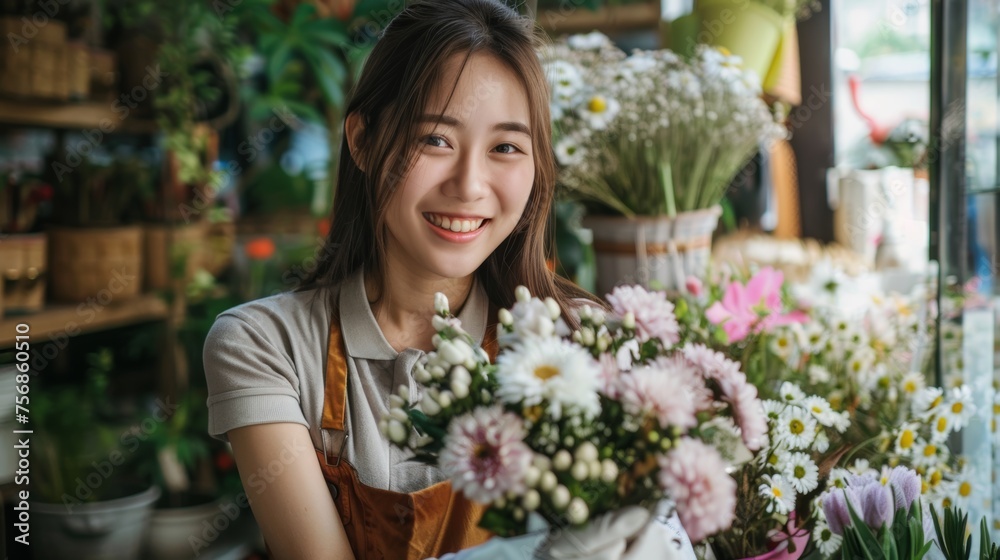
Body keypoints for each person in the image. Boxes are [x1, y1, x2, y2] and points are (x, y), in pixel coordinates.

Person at [203, 0, 696, 558]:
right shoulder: (266, 345)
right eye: (435, 139)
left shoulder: (585, 346)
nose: (469, 185)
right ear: (363, 139)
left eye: (505, 147)